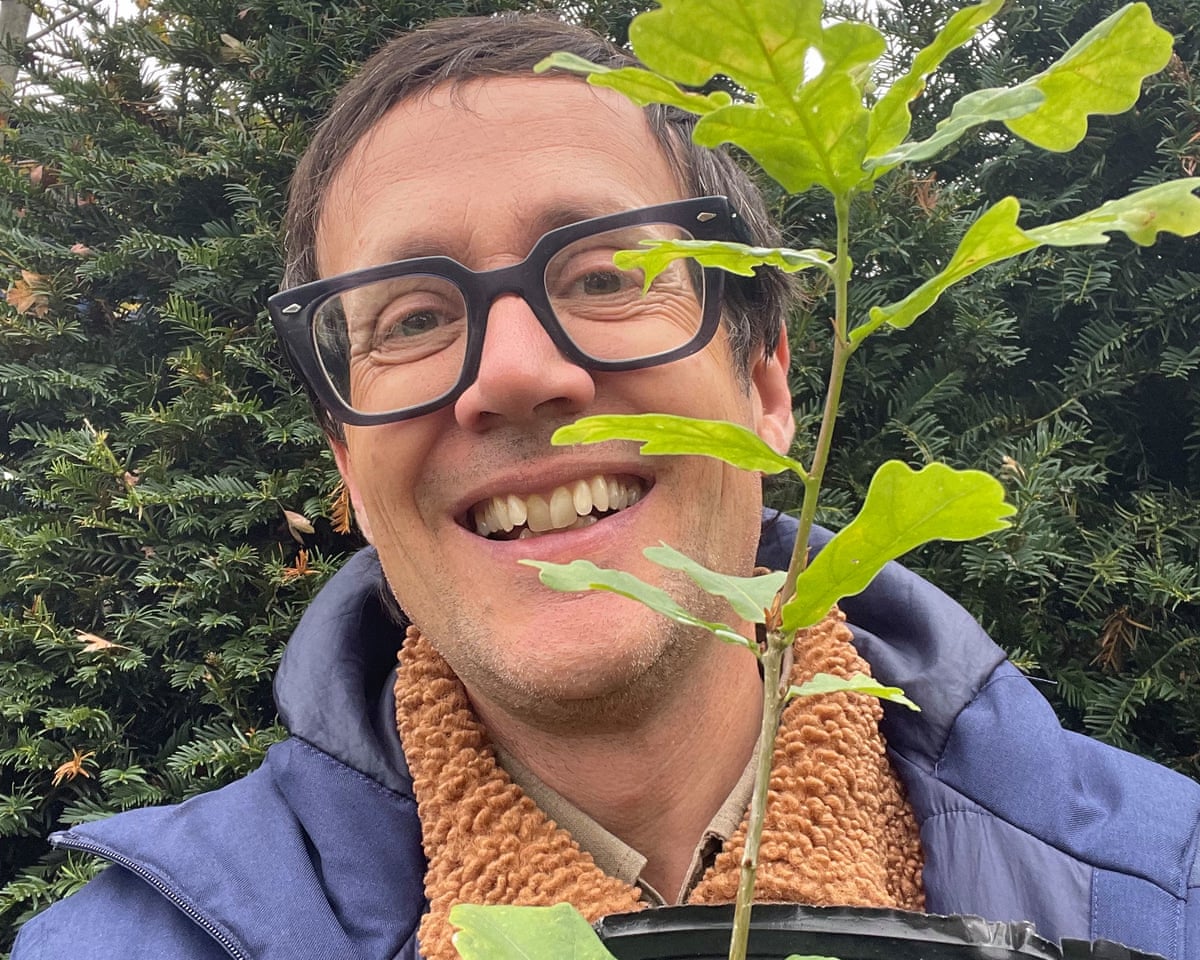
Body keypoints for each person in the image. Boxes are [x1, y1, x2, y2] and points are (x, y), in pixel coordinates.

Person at [13, 13, 1200, 960]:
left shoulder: (1170, 892)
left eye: (609, 275)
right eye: (414, 318)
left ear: (772, 381)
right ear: (349, 474)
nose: (518, 373)